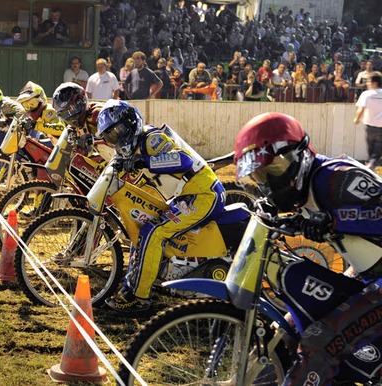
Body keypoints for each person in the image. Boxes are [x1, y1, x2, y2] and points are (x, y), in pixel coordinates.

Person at [234, 112, 382, 386]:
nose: (269, 182)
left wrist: (334, 219)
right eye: (260, 175)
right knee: (289, 327)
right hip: (367, 272)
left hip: (375, 276)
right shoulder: (306, 188)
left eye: (274, 170)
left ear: (299, 156)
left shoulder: (337, 179)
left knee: (321, 340)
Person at [98, 99, 225, 314]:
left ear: (130, 123)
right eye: (111, 136)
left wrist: (143, 162)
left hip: (203, 193)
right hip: (186, 195)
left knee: (154, 232)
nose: (117, 137)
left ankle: (139, 298)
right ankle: (134, 285)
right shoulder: (134, 146)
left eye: (119, 130)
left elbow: (183, 160)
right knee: (141, 227)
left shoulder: (152, 139)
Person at [354, 71, 382, 169]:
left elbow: (360, 109)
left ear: (374, 83)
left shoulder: (366, 94)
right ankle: (370, 168)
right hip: (381, 128)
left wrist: (357, 119)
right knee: (376, 154)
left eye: (369, 82)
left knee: (371, 152)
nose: (367, 84)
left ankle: (369, 168)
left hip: (369, 128)